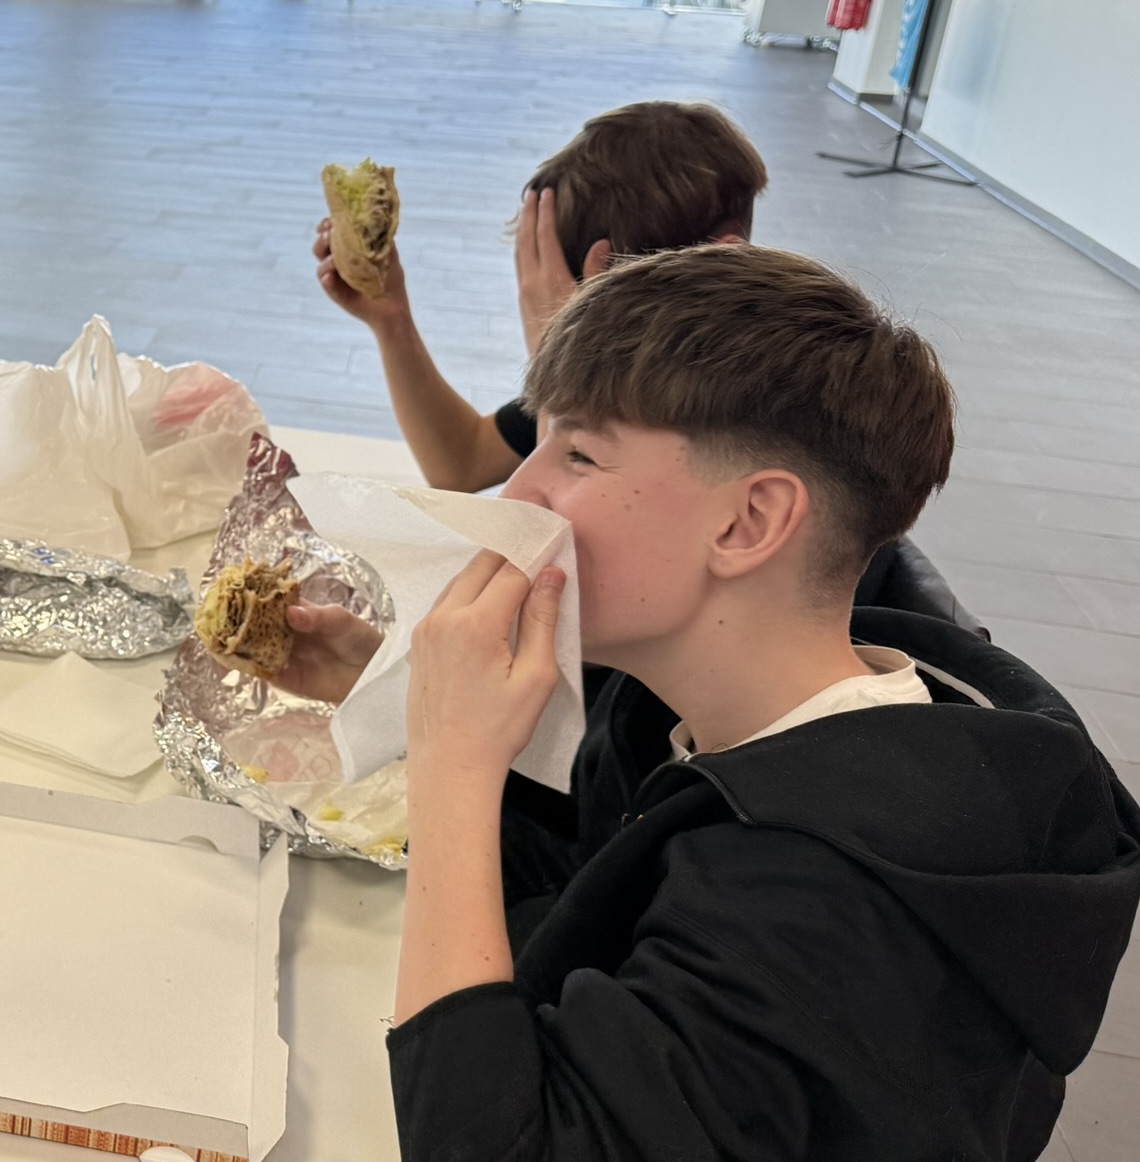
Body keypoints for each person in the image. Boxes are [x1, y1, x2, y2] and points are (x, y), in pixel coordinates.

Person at [285, 244, 1140, 1159]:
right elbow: (584, 878)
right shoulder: (680, 707)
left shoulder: (823, 911)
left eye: (578, 453)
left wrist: (453, 766)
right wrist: (411, 702)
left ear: (749, 522)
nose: (518, 491)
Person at [312, 100, 765, 493]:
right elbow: (462, 462)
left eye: (590, 306)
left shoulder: (743, 410)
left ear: (720, 258)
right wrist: (392, 321)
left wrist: (565, 357)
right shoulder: (639, 362)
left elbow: (549, 528)